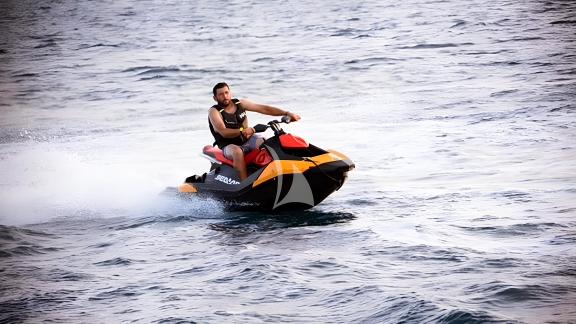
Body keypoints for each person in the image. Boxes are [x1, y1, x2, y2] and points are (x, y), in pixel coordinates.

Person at [208, 82, 301, 180]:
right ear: (215, 98)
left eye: (226, 93)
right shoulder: (214, 111)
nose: (225, 96)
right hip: (228, 146)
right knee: (237, 152)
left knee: (266, 142)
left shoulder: (240, 104)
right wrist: (242, 131)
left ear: (230, 93)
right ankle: (244, 182)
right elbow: (223, 132)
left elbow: (264, 109)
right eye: (221, 94)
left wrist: (287, 113)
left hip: (247, 140)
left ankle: (276, 173)